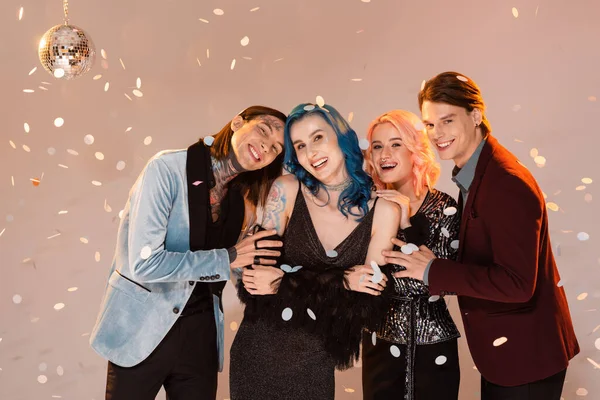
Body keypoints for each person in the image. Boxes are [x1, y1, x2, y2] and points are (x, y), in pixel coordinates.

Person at [387, 72, 580, 400]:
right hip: (508, 356)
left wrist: (433, 271)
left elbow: (517, 284)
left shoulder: (506, 182)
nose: (437, 134)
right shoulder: (476, 172)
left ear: (475, 115)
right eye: (430, 125)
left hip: (526, 358)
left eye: (447, 120)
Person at [89, 106, 288, 400]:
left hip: (201, 336)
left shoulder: (242, 202)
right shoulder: (166, 169)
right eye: (263, 130)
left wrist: (269, 275)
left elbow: (234, 271)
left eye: (276, 148)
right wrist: (229, 257)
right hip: (141, 327)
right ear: (236, 123)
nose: (266, 146)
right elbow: (145, 264)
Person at [229, 103, 401, 400]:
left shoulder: (384, 211)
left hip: (316, 363)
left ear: (340, 137)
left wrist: (283, 283)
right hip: (256, 353)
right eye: (300, 145)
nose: (310, 152)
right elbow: (255, 283)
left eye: (318, 138)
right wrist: (342, 281)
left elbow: (361, 308)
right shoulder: (286, 190)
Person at [361, 109, 461, 400]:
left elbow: (443, 279)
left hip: (434, 342)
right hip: (380, 340)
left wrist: (406, 221)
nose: (384, 154)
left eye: (395, 144)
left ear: (414, 149)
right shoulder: (368, 206)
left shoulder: (445, 206)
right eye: (377, 146)